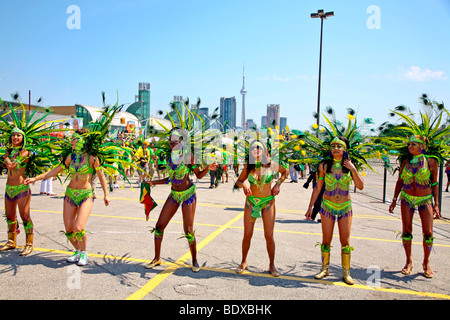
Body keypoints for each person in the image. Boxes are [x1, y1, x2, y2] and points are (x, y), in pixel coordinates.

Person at [24, 129, 110, 266]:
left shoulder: (92, 158)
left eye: (75, 138)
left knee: (79, 226)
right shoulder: (71, 157)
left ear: (83, 140)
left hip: (85, 195)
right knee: (69, 228)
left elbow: (101, 176)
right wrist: (35, 178)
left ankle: (84, 252)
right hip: (70, 194)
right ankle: (77, 250)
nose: (72, 141)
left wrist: (106, 194)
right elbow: (54, 171)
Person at [144, 128, 218, 272]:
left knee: (188, 230)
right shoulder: (169, 158)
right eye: (171, 140)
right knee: (159, 227)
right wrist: (152, 182)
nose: (173, 142)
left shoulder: (188, 156)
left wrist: (208, 168)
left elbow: (200, 176)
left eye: (176, 140)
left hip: (188, 195)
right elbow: (169, 180)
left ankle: (195, 261)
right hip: (174, 195)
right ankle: (156, 258)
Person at [305, 136, 364, 285]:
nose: (336, 149)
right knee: (326, 239)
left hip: (345, 207)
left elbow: (361, 186)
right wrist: (310, 207)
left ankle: (346, 272)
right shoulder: (324, 166)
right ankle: (324, 268)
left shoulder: (350, 165)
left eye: (339, 146)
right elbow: (318, 187)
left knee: (345, 240)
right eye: (333, 146)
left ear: (345, 149)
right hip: (327, 206)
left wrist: (353, 169)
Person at [388, 135, 441, 278]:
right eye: (409, 144)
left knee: (428, 232)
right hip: (406, 198)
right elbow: (399, 181)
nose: (410, 146)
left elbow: (435, 184)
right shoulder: (405, 161)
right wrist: (393, 200)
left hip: (425, 199)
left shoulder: (431, 161)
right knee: (406, 230)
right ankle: (409, 261)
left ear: (422, 147)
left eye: (414, 144)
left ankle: (426, 261)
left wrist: (436, 204)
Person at [234, 140, 288, 277]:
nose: (256, 150)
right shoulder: (249, 166)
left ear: (264, 150)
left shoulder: (271, 164)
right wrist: (244, 185)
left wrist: (278, 184)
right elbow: (238, 181)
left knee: (269, 235)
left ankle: (272, 265)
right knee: (247, 234)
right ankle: (243, 262)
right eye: (253, 148)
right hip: (251, 203)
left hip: (268, 203)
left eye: (259, 147)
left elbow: (285, 172)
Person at [0, 128, 33, 255]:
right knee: (10, 216)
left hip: (21, 188)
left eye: (18, 135)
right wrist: (7, 158)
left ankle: (29, 243)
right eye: (13, 135)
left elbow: (11, 166)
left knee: (25, 217)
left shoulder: (25, 152)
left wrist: (7, 159)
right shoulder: (8, 151)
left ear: (23, 137)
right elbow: (8, 163)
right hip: (9, 188)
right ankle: (11, 241)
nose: (15, 137)